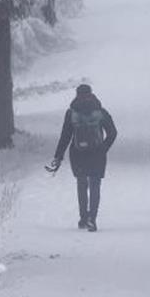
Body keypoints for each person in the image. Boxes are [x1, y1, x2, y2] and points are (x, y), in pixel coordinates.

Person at [47, 83, 117, 232]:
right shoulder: (101, 112)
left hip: (78, 153)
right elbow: (113, 133)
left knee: (81, 184)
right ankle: (93, 218)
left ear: (76, 95)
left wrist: (58, 156)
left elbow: (65, 136)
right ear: (92, 94)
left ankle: (83, 218)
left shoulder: (71, 113)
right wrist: (103, 148)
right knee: (95, 185)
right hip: (97, 153)